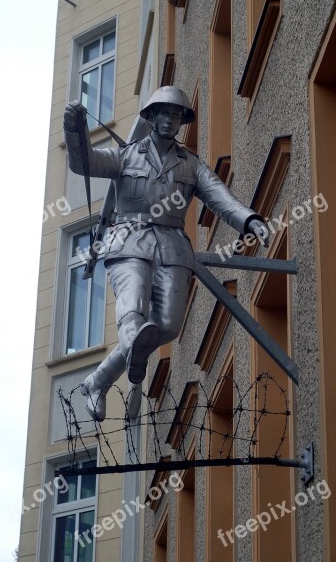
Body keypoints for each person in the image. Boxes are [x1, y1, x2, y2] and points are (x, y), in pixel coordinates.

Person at [63, 86, 267, 421]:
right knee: (133, 310)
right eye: (165, 113)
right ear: (151, 116)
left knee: (168, 326)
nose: (171, 120)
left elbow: (219, 195)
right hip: (129, 241)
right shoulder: (127, 155)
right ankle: (128, 354)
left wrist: (249, 220)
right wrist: (75, 129)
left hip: (172, 248)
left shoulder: (191, 165)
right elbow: (84, 162)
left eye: (177, 115)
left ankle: (98, 380)